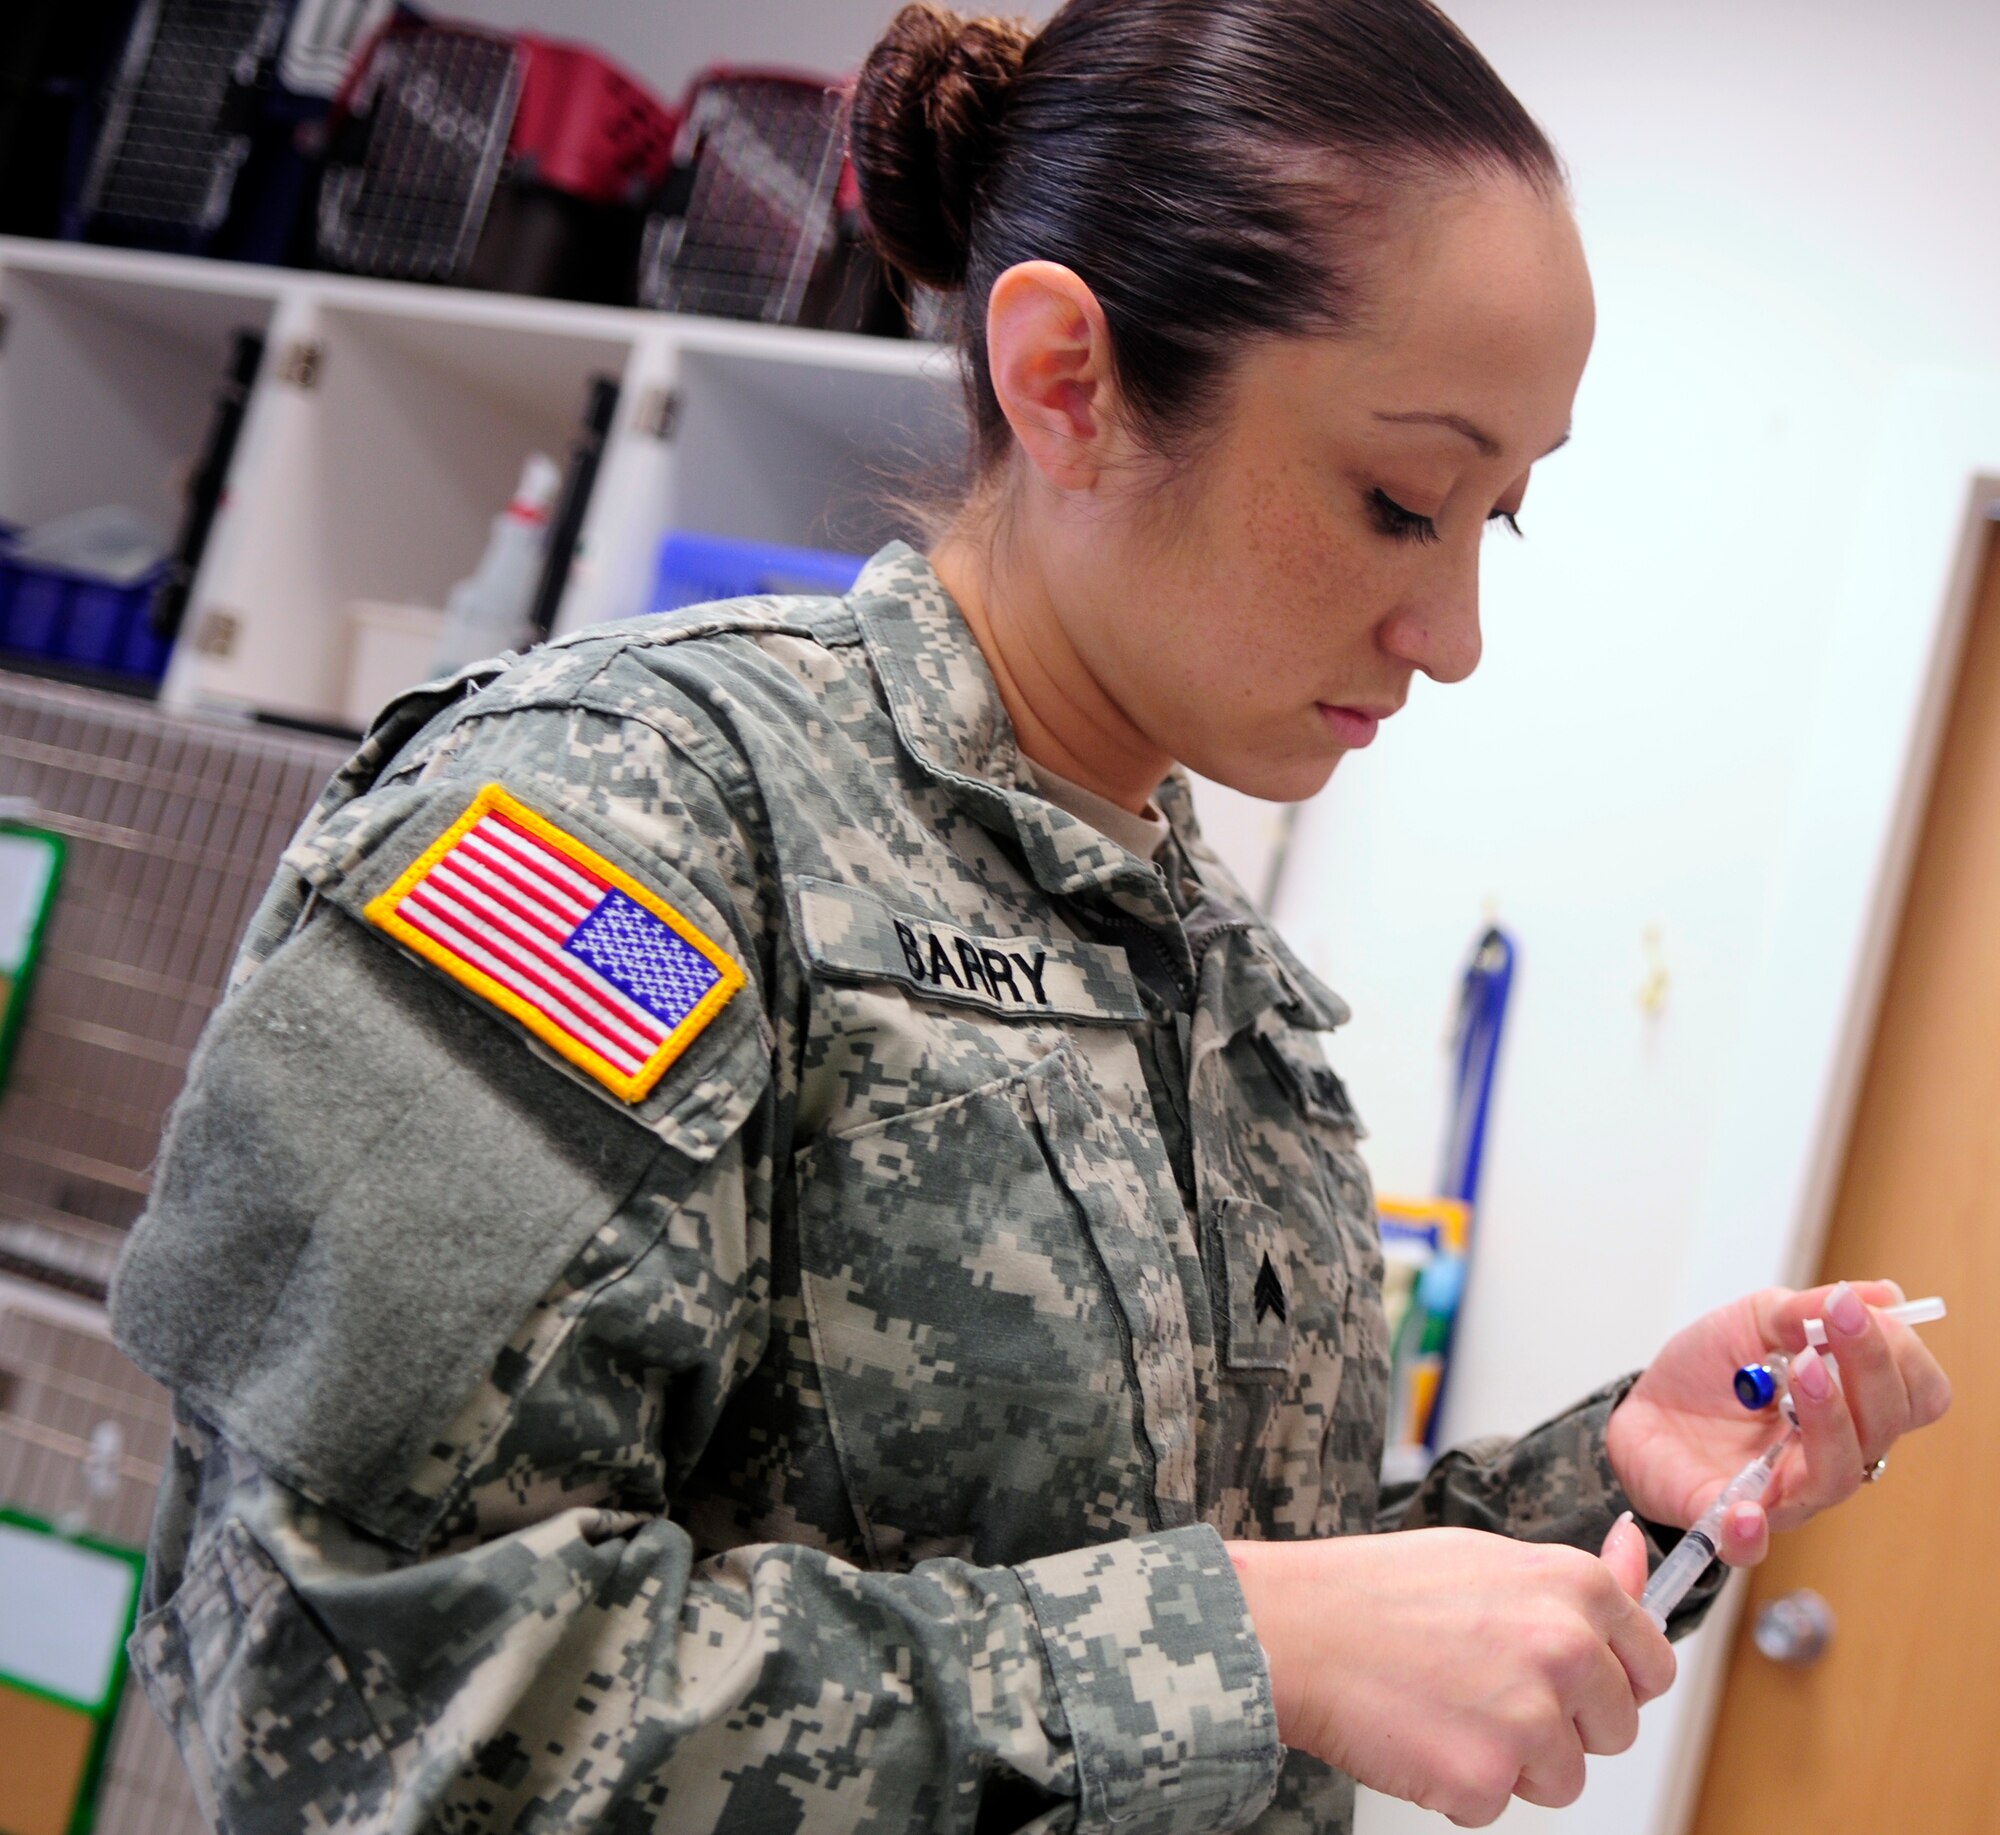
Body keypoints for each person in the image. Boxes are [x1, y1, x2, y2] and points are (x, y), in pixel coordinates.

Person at [110, 1, 1953, 1830]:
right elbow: (341, 1693)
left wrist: (1607, 1492)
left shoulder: (1195, 959)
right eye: (1401, 499)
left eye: (1501, 521)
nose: (1453, 634)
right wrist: (1236, 1643)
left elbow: (1237, 1614)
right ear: (1067, 377)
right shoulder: (624, 829)